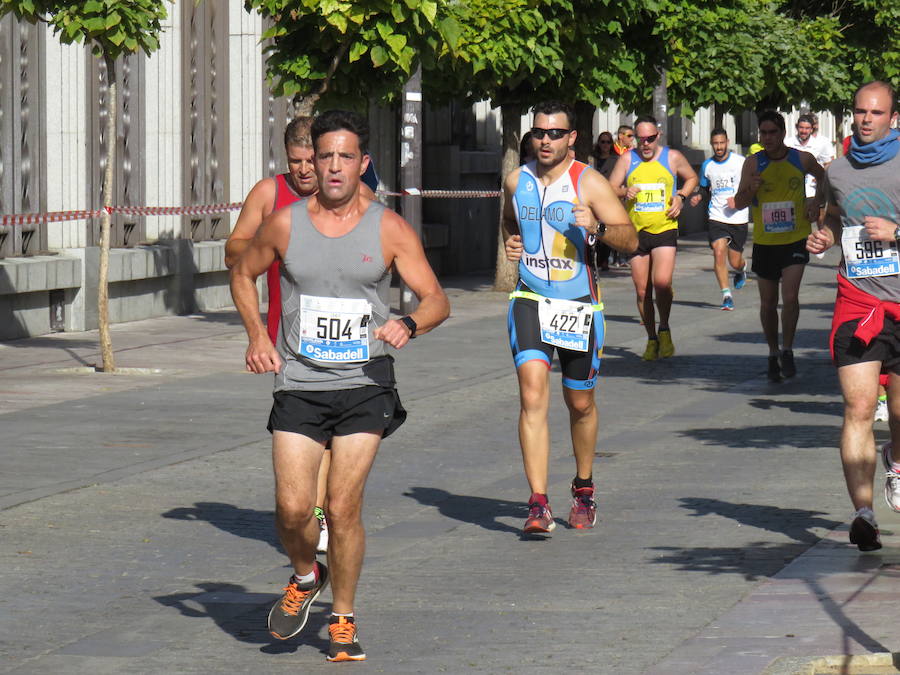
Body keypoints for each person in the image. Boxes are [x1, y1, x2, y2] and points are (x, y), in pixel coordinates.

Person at [230, 110, 450, 660]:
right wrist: (258, 335)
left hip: (365, 382)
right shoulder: (284, 222)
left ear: (362, 163)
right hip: (300, 382)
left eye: (344, 156)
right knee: (291, 508)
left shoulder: (389, 227)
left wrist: (409, 322)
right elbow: (240, 271)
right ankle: (306, 576)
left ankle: (343, 619)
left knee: (342, 506)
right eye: (324, 155)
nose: (332, 166)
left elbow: (437, 299)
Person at [225, 118, 379, 554]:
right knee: (309, 431)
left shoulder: (352, 193)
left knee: (333, 433)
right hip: (289, 334)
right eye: (297, 163)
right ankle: (313, 516)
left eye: (312, 160)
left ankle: (326, 514)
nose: (306, 171)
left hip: (349, 343)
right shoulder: (270, 195)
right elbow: (234, 253)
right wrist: (270, 241)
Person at [502, 101, 637, 534]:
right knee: (532, 392)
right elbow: (510, 222)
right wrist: (511, 243)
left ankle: (583, 487)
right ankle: (538, 503)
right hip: (530, 298)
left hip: (578, 305)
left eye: (555, 133)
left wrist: (596, 228)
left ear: (571, 138)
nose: (545, 140)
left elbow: (631, 240)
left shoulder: (589, 183)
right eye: (539, 132)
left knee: (579, 402)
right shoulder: (515, 180)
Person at [806, 80, 900, 552]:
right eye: (860, 112)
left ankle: (896, 460)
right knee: (859, 408)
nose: (866, 119)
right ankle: (863, 514)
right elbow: (832, 216)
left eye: (876, 113)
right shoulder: (838, 170)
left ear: (893, 118)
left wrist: (899, 231)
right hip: (859, 303)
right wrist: (821, 237)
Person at [735, 110, 825, 381]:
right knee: (767, 303)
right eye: (763, 133)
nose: (768, 138)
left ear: (783, 133)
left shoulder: (801, 159)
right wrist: (750, 188)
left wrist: (815, 202)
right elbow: (738, 203)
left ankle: (787, 349)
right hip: (765, 241)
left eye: (773, 132)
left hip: (795, 238)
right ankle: (773, 352)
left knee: (790, 297)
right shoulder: (753, 163)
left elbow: (825, 178)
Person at [608, 115, 698, 360]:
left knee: (661, 283)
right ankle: (651, 338)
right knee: (641, 291)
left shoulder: (672, 157)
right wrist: (625, 191)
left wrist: (680, 196)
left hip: (664, 228)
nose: (645, 144)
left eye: (650, 139)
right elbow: (610, 187)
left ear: (658, 136)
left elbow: (692, 178)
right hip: (636, 233)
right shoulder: (628, 159)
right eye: (640, 139)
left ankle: (665, 326)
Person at [691, 128, 750, 311]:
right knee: (718, 252)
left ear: (728, 142)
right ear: (712, 144)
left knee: (734, 260)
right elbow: (704, 187)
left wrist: (738, 201)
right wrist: (698, 196)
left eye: (721, 143)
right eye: (715, 143)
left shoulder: (741, 162)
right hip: (717, 216)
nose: (718, 147)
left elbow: (752, 187)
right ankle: (726, 295)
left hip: (738, 217)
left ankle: (741, 269)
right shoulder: (707, 166)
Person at [785, 112, 835, 200]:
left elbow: (829, 162)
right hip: (791, 191)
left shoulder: (820, 144)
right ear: (796, 127)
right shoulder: (788, 143)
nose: (804, 131)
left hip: (813, 192)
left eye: (807, 128)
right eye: (801, 128)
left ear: (812, 129)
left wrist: (820, 174)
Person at [591, 131, 618, 271]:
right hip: (593, 196)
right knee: (594, 228)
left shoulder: (616, 160)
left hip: (609, 198)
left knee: (606, 229)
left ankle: (604, 259)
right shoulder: (593, 159)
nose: (605, 145)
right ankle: (596, 258)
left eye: (608, 142)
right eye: (602, 142)